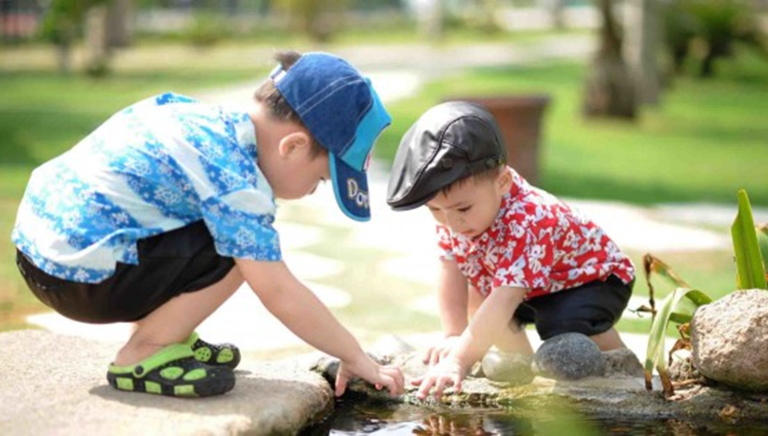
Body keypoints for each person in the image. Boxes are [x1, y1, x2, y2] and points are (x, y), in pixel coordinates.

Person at [12, 50, 404, 398]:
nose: (312, 191)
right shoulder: (235, 179)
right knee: (244, 252)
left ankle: (169, 335)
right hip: (78, 278)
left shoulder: (201, 119)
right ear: (294, 146)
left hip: (40, 253)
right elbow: (279, 291)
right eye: (320, 180)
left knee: (224, 232)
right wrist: (353, 355)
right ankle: (144, 353)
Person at [386, 101, 635, 400]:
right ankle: (520, 370)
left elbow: (506, 297)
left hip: (591, 281)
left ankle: (621, 365)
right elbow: (450, 268)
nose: (451, 222)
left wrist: (458, 361)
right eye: (435, 210)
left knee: (561, 324)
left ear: (502, 182)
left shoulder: (530, 219)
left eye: (462, 208)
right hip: (530, 286)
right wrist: (454, 335)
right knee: (479, 295)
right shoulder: (456, 214)